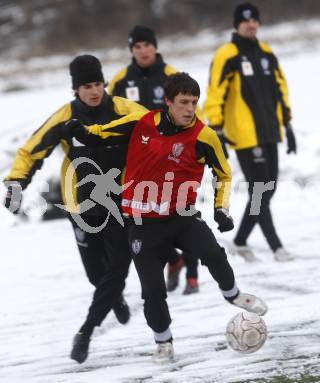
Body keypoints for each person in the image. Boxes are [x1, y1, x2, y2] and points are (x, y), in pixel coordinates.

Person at [64, 72, 268, 362]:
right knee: (153, 292)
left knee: (213, 253)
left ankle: (233, 294)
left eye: (194, 102)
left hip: (182, 216)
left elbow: (223, 173)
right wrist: (84, 132)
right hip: (142, 224)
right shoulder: (143, 122)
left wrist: (221, 209)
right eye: (183, 102)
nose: (189, 109)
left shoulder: (203, 135)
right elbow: (104, 130)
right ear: (167, 102)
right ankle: (163, 342)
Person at [3, 54, 148, 364]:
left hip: (120, 202)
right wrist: (16, 183)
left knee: (117, 269)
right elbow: (32, 150)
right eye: (86, 86)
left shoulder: (126, 110)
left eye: (98, 84)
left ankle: (85, 332)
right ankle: (114, 299)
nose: (94, 91)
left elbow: (160, 131)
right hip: (80, 203)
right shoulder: (65, 117)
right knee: (96, 273)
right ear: (75, 90)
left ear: (104, 84)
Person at [109, 24, 200, 295]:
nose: (143, 50)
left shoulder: (173, 76)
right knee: (144, 219)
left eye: (147, 45)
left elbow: (193, 110)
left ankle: (192, 277)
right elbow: (111, 117)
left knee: (184, 213)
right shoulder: (121, 81)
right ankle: (173, 260)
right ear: (131, 50)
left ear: (155, 46)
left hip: (176, 157)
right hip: (141, 163)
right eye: (137, 46)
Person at [203, 2, 297, 263]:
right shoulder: (227, 54)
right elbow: (215, 93)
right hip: (244, 135)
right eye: (245, 21)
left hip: (269, 132)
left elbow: (281, 89)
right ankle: (276, 247)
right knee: (260, 190)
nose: (250, 24)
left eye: (254, 20)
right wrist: (217, 128)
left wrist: (287, 125)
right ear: (237, 25)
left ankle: (241, 240)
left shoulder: (267, 53)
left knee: (269, 189)